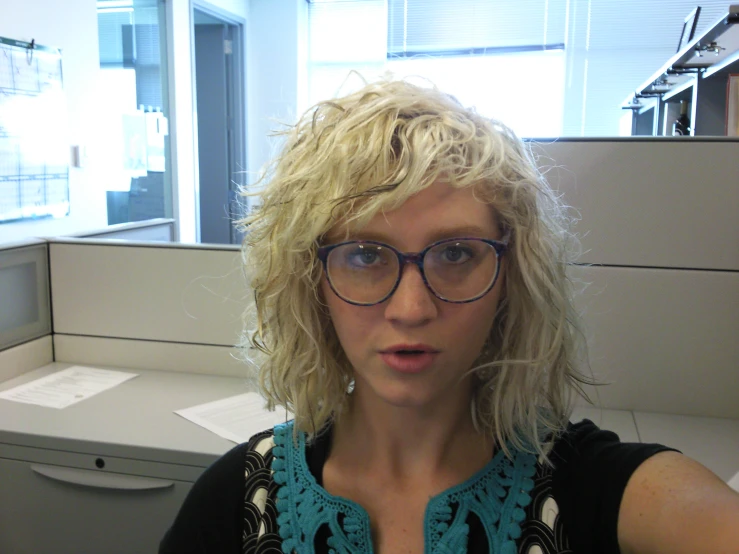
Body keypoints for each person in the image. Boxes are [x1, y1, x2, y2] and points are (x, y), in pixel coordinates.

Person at [159, 79, 739, 554]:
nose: (411, 309)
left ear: (512, 278)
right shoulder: (236, 503)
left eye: (457, 253)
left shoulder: (593, 488)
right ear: (312, 284)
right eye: (364, 255)